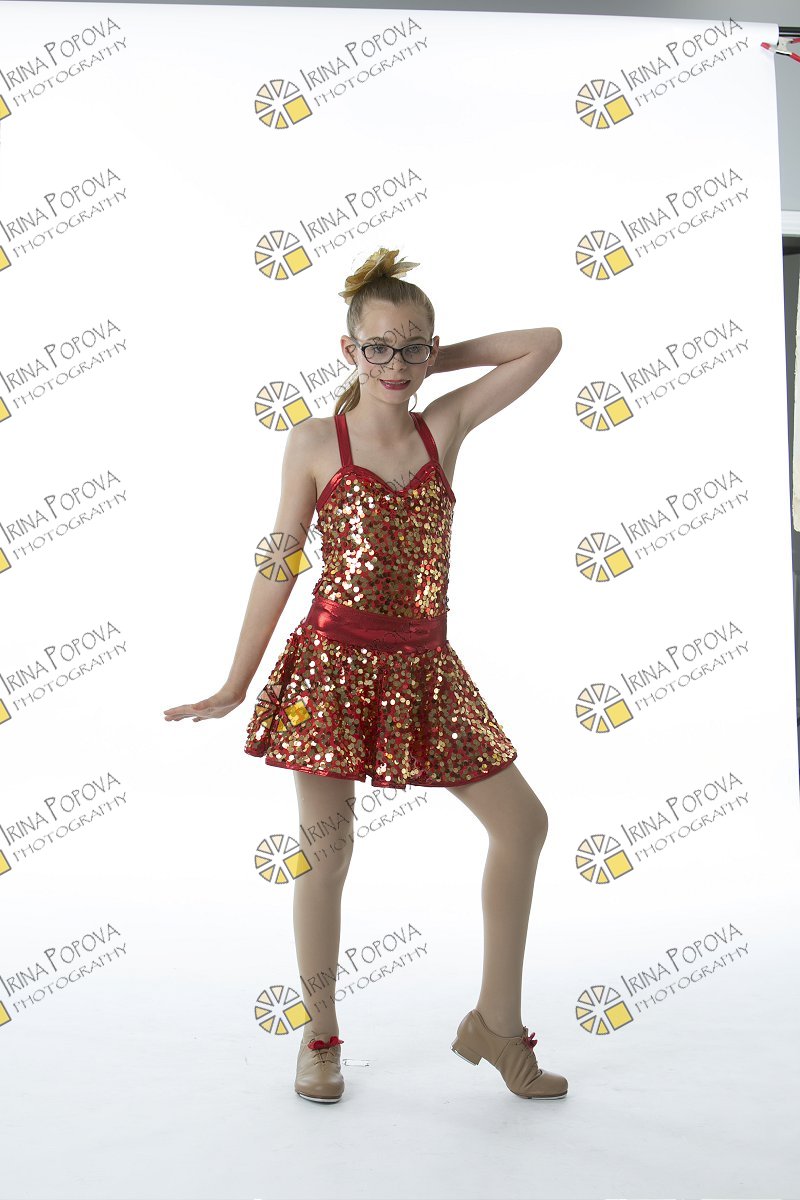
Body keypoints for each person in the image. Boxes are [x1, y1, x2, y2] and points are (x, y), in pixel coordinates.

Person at [163, 246, 567, 1105]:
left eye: (411, 347)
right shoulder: (316, 441)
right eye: (377, 347)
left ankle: (496, 1026)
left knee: (523, 824)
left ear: (431, 351)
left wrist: (428, 363)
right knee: (328, 852)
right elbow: (280, 560)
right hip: (331, 669)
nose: (395, 363)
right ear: (347, 350)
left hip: (425, 667)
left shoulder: (442, 427)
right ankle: (319, 1036)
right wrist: (236, 681)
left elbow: (545, 342)